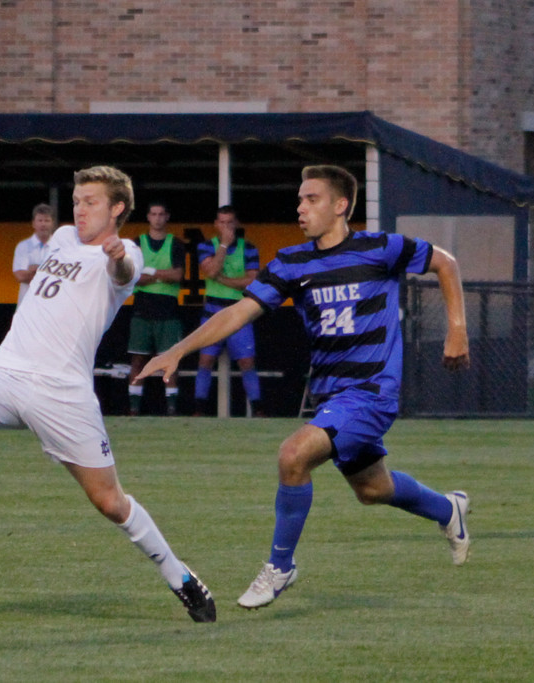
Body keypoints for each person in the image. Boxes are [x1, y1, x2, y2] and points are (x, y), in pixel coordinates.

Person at [136, 165, 471, 609]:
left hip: (372, 391)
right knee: (373, 490)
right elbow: (238, 313)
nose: (300, 207)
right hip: (332, 395)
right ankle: (449, 510)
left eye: (311, 199)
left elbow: (445, 263)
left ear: (340, 206)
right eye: (299, 199)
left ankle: (281, 566)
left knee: (293, 455)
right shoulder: (292, 262)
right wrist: (178, 350)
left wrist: (458, 330)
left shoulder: (379, 248)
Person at [0, 165, 216, 623]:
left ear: (117, 209)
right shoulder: (62, 238)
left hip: (63, 395)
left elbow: (124, 270)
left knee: (110, 502)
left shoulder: (125, 251)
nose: (80, 208)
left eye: (91, 201)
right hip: (8, 375)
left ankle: (181, 578)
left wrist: (117, 256)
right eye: (77, 200)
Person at [194, 206, 264, 416]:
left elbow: (251, 281)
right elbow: (211, 270)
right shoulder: (206, 246)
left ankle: (259, 410)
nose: (226, 227)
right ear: (216, 225)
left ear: (236, 224)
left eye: (230, 222)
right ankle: (198, 411)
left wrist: (224, 280)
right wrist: (223, 244)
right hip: (212, 312)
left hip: (238, 312)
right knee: (205, 361)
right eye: (222, 223)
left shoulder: (249, 248)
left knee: (247, 362)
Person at [125, 202, 186, 416]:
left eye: (161, 214)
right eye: (154, 214)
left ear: (167, 217)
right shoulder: (136, 244)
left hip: (169, 311)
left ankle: (171, 409)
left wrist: (150, 272)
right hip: (142, 309)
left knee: (170, 361)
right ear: (148, 217)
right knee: (137, 360)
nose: (158, 218)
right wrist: (162, 275)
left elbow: (178, 275)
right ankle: (133, 408)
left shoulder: (176, 244)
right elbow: (133, 277)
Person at [12, 203, 55, 305]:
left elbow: (63, 278)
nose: (43, 224)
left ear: (52, 223)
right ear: (33, 223)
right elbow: (20, 276)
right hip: (27, 306)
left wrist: (37, 269)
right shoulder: (23, 246)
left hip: (51, 308)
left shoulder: (60, 247)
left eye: (47, 220)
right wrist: (49, 272)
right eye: (40, 220)